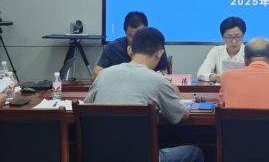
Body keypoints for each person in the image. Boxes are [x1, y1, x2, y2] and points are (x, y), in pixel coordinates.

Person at [84, 27, 203, 162]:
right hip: (140, 157)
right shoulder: (159, 81)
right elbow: (182, 116)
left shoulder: (103, 75)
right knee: (195, 152)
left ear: (130, 50)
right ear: (159, 54)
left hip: (98, 156)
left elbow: (87, 106)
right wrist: (174, 94)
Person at [92, 11, 168, 80]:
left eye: (139, 35)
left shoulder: (156, 47)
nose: (135, 39)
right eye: (131, 35)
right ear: (125, 32)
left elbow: (163, 72)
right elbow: (96, 73)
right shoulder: (112, 48)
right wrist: (124, 78)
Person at [197, 16, 246, 83]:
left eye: (237, 37)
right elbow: (201, 72)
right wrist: (213, 77)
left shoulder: (249, 52)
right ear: (222, 37)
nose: (233, 41)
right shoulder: (216, 51)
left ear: (243, 35)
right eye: (229, 37)